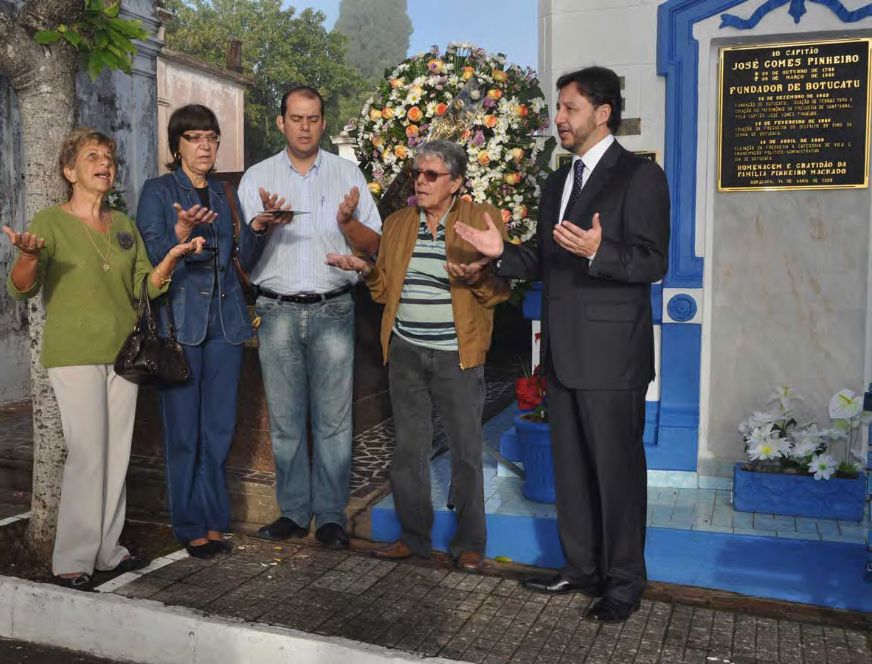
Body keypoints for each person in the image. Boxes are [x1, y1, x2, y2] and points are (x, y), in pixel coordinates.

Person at [454, 66, 670, 622]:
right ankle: (581, 567)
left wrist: (602, 252)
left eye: (569, 108)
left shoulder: (639, 177)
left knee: (617, 471)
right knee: (571, 467)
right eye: (558, 107)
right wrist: (500, 251)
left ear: (603, 112)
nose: (559, 117)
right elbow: (548, 260)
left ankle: (623, 581)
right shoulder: (557, 183)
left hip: (612, 357)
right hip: (563, 353)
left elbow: (653, 260)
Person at [5, 128, 205, 590]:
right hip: (73, 354)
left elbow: (143, 287)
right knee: (88, 454)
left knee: (116, 454)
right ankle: (73, 559)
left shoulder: (120, 224)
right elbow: (21, 286)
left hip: (124, 356)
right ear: (69, 170)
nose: (104, 163)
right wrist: (29, 257)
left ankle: (107, 551)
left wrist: (170, 259)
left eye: (109, 157)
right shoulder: (50, 222)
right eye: (92, 156)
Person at [326, 140, 509, 572]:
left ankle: (469, 543)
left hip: (457, 354)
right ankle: (413, 537)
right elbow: (386, 290)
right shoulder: (397, 224)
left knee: (465, 450)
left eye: (431, 175)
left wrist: (476, 276)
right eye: (416, 174)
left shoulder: (481, 221)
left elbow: (499, 292)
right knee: (409, 449)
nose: (420, 182)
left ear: (456, 182)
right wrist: (366, 271)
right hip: (406, 350)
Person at [238, 85, 382, 549]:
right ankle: (294, 512)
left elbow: (375, 244)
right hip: (276, 311)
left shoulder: (348, 175)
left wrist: (348, 226)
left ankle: (332, 516)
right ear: (281, 122)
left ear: (323, 122)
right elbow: (242, 251)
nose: (304, 126)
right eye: (296, 118)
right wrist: (261, 223)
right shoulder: (256, 178)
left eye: (313, 118)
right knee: (284, 420)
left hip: (333, 309)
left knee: (334, 421)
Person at [136, 104, 271, 559]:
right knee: (183, 433)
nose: (205, 145)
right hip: (181, 327)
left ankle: (215, 521)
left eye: (211, 137)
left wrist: (256, 227)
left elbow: (242, 260)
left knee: (217, 430)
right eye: (194, 138)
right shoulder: (157, 191)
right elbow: (155, 254)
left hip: (227, 326)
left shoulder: (224, 194)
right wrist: (180, 233)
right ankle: (188, 523)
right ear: (177, 146)